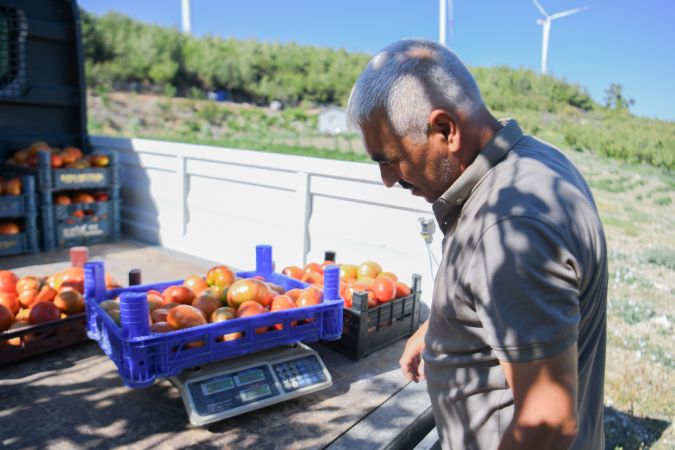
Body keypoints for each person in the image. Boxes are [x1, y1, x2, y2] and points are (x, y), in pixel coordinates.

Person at [346, 39, 607, 450]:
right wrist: (443, 325)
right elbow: (517, 300)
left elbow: (549, 423)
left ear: (446, 130)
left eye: (390, 158)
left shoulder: (509, 228)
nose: (388, 179)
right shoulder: (536, 161)